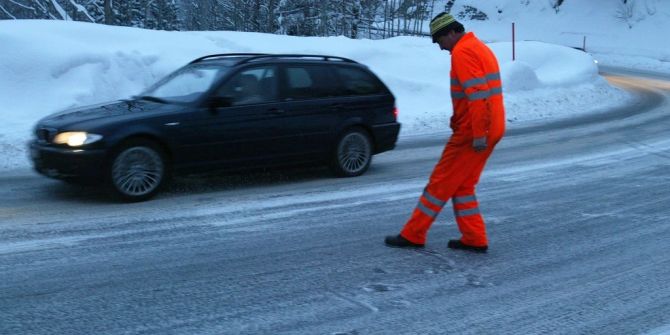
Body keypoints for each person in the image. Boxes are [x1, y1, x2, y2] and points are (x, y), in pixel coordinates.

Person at [384, 12, 506, 253]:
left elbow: (478, 96)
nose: (440, 47)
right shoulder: (479, 47)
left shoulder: (462, 52)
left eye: (439, 41)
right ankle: (474, 237)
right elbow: (476, 95)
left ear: (450, 32)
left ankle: (413, 234)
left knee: (439, 183)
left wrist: (478, 134)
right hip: (491, 127)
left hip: (472, 132)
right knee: (463, 186)